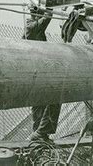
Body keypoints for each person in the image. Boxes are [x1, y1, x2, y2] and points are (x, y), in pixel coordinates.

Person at [23, 8, 61, 142]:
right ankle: (41, 133)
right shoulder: (31, 27)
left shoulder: (30, 30)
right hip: (39, 73)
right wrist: (49, 8)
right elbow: (45, 19)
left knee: (39, 104)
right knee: (54, 99)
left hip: (35, 73)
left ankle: (39, 134)